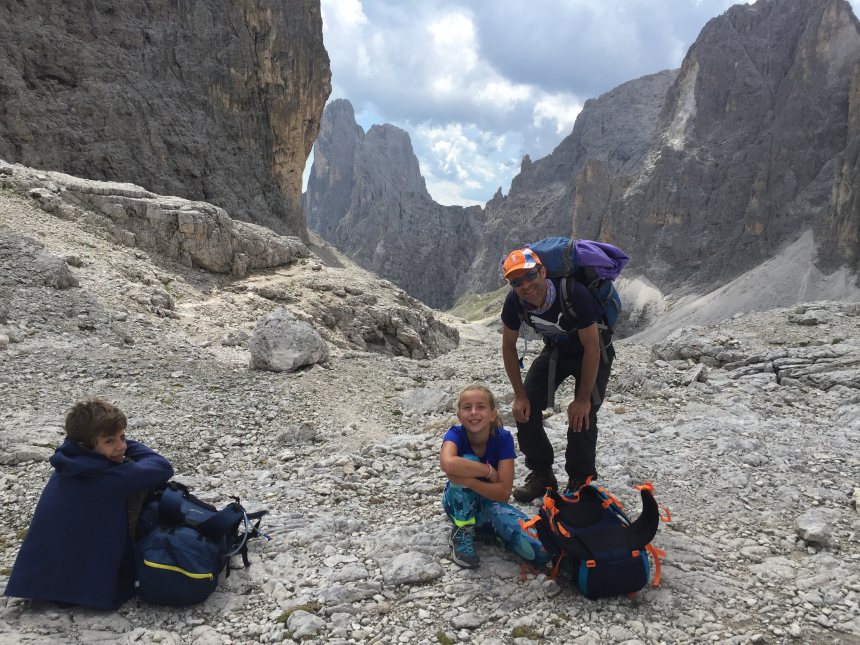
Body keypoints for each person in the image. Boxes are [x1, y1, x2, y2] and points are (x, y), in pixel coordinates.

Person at [5, 399, 174, 609]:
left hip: (38, 581)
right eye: (109, 441)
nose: (121, 446)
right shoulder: (110, 478)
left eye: (123, 438)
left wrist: (113, 441)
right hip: (81, 591)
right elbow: (162, 467)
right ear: (85, 446)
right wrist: (130, 447)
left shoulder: (67, 465)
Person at [500, 247, 614, 502]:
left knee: (582, 414)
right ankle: (542, 474)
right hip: (557, 350)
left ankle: (581, 480)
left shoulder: (574, 293)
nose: (525, 285)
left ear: (543, 272)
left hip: (593, 352)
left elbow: (592, 347)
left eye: (530, 276)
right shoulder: (514, 302)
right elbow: (508, 346)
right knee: (525, 408)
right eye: (516, 281)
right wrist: (519, 395)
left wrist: (583, 399)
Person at [439, 384, 549, 569]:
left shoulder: (503, 438)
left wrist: (466, 479)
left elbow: (504, 493)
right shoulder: (455, 434)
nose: (474, 412)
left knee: (539, 551)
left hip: (490, 505)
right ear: (459, 415)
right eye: (467, 407)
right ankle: (462, 531)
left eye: (480, 407)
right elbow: (448, 464)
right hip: (457, 506)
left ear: (492, 414)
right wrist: (487, 471)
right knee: (467, 459)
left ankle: (487, 532)